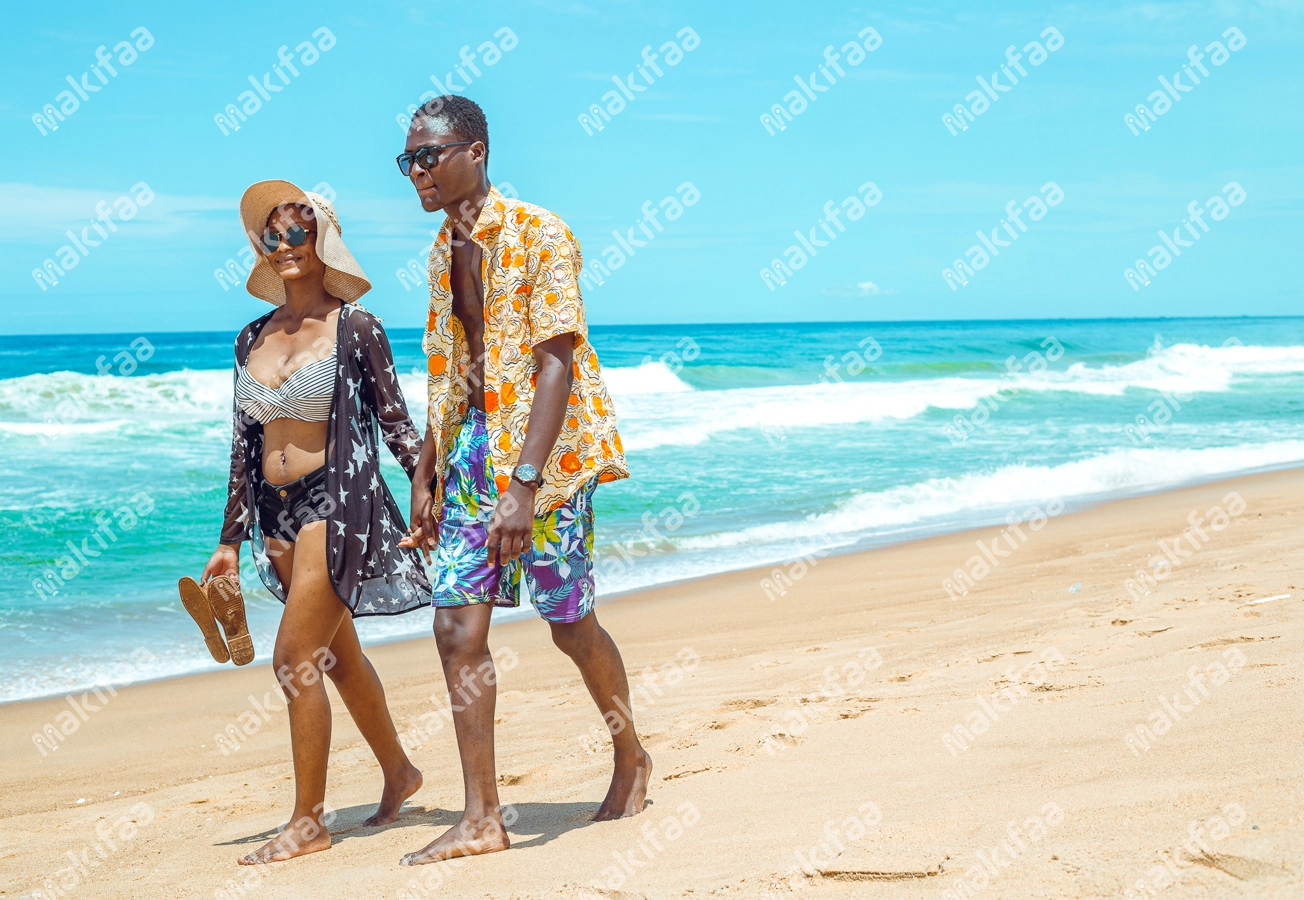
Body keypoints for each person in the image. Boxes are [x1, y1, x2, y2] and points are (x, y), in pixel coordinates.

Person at [396, 95, 653, 865]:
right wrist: (427, 465)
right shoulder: (445, 250)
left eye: (428, 155)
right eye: (407, 160)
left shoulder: (541, 232)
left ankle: (631, 753)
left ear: (475, 150)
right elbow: (453, 367)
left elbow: (555, 361)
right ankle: (482, 817)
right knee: (455, 627)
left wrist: (525, 483)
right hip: (474, 449)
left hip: (548, 459)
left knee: (568, 622)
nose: (417, 172)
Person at [202, 181, 430, 864]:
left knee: (293, 659)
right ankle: (400, 772)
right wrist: (227, 541)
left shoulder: (356, 327)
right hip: (275, 516)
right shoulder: (251, 337)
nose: (282, 247)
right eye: (270, 237)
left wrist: (434, 497)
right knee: (336, 656)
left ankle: (308, 822)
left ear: (321, 238)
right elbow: (243, 447)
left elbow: (396, 424)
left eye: (296, 233)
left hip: (338, 504)